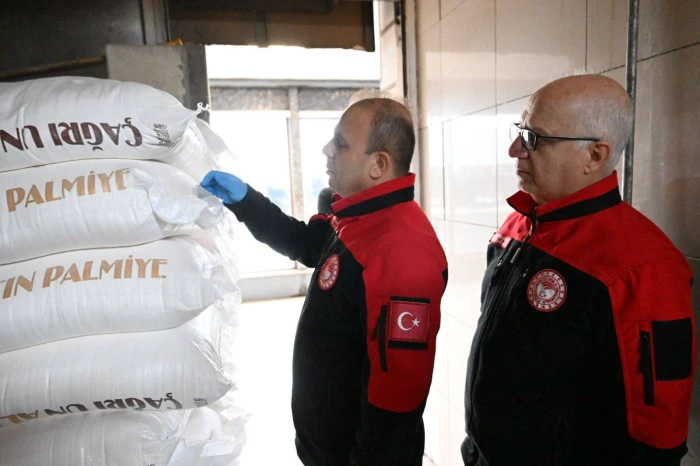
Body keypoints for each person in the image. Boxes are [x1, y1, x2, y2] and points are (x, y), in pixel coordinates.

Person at [201, 94, 448, 465]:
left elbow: (396, 401)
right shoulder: (359, 219)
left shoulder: (402, 251)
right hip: (326, 444)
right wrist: (246, 202)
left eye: (341, 144)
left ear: (379, 164)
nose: (327, 150)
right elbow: (304, 242)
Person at [461, 74, 695, 466]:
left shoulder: (643, 268)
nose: (515, 149)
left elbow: (656, 439)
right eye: (520, 132)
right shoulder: (519, 225)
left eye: (534, 138)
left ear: (595, 156)